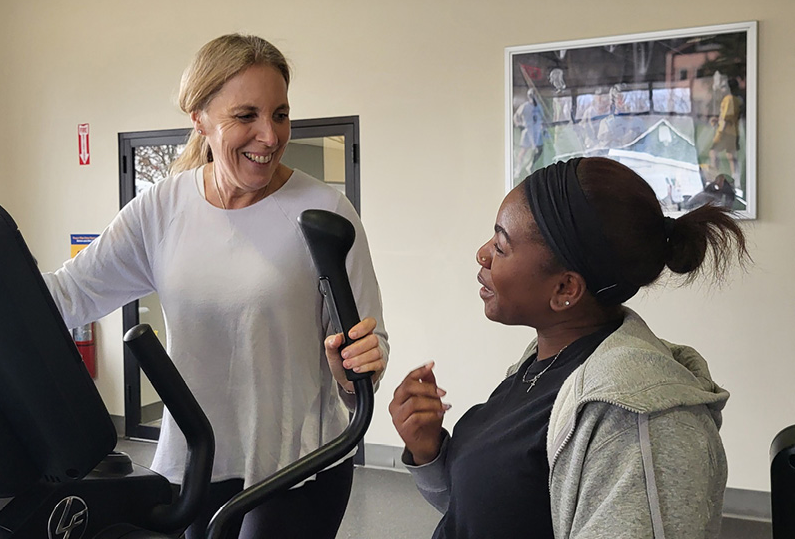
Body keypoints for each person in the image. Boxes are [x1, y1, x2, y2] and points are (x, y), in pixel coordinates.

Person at [44, 34, 389, 539]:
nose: (269, 136)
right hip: (196, 461)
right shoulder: (161, 209)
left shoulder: (324, 214)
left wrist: (350, 368)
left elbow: (368, 352)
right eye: (246, 115)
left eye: (280, 114)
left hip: (297, 463)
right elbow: (69, 296)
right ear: (200, 119)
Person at [389, 157, 748, 539]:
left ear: (565, 290)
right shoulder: (539, 363)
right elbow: (494, 512)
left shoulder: (636, 423)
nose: (482, 254)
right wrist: (428, 451)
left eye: (501, 245)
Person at [513, 88, 546, 178]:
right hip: (528, 132)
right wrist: (519, 124)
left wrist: (542, 127)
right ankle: (518, 169)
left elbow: (541, 118)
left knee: (539, 149)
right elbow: (516, 116)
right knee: (523, 152)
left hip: (537, 131)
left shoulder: (538, 106)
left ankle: (531, 165)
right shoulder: (525, 106)